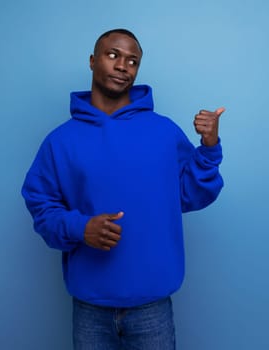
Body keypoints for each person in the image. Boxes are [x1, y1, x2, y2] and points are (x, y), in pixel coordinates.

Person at [21, 28, 225, 350]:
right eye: (113, 55)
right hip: (90, 308)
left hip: (152, 308)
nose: (122, 66)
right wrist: (81, 227)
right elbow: (41, 206)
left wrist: (209, 147)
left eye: (132, 61)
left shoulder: (164, 132)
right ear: (92, 61)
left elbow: (191, 195)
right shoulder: (61, 141)